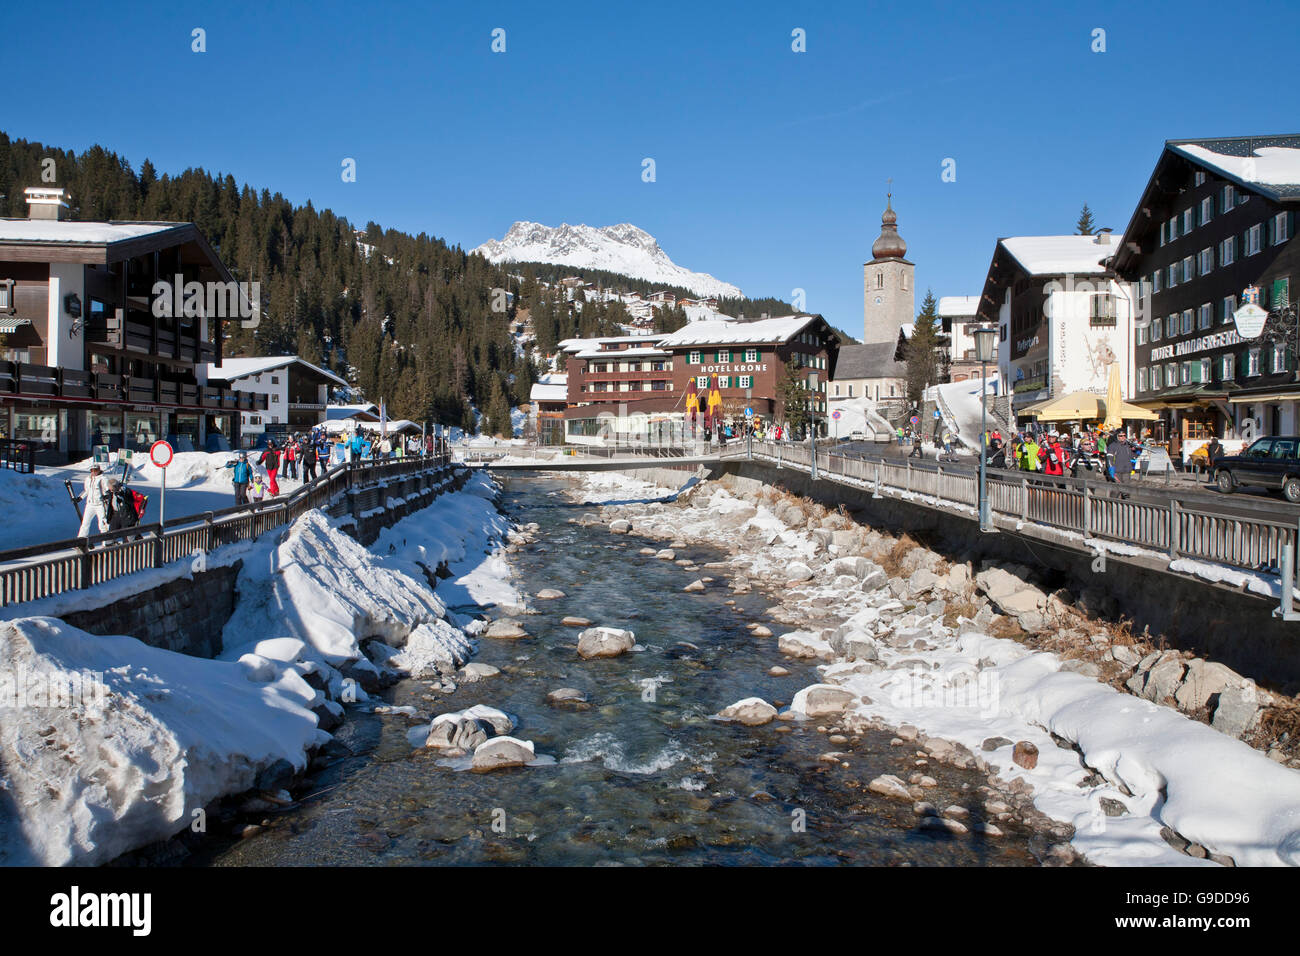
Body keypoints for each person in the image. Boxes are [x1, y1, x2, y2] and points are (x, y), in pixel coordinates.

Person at [77, 464, 113, 537]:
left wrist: (106, 496)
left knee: (102, 524)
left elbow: (108, 490)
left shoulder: (103, 479)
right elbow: (87, 490)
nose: (94, 472)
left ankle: (107, 541)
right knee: (85, 523)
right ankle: (81, 540)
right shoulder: (88, 479)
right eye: (92, 470)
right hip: (90, 504)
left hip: (100, 505)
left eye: (95, 470)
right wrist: (80, 498)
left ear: (99, 470)